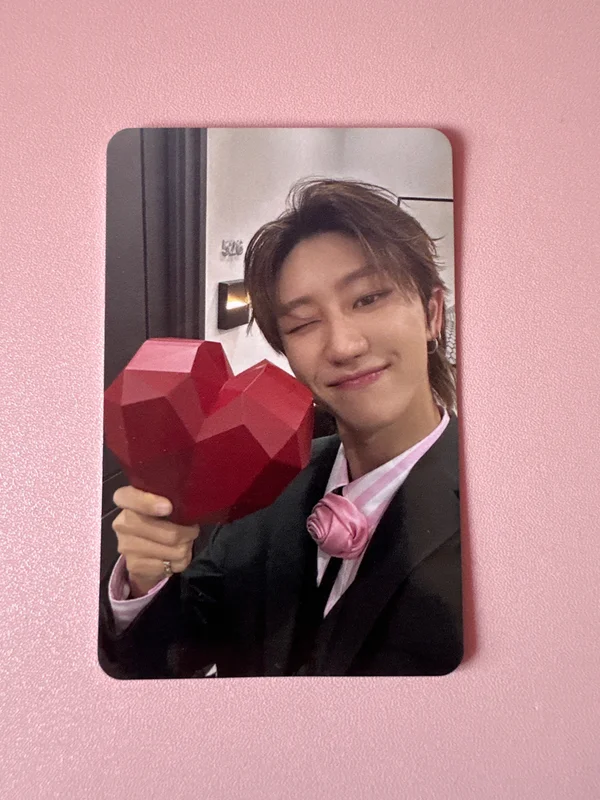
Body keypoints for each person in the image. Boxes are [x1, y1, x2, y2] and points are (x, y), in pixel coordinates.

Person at [98, 178, 462, 679]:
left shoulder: (503, 511)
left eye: (368, 298)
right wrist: (144, 578)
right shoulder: (268, 481)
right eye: (303, 323)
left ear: (432, 314)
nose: (343, 346)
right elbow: (176, 656)